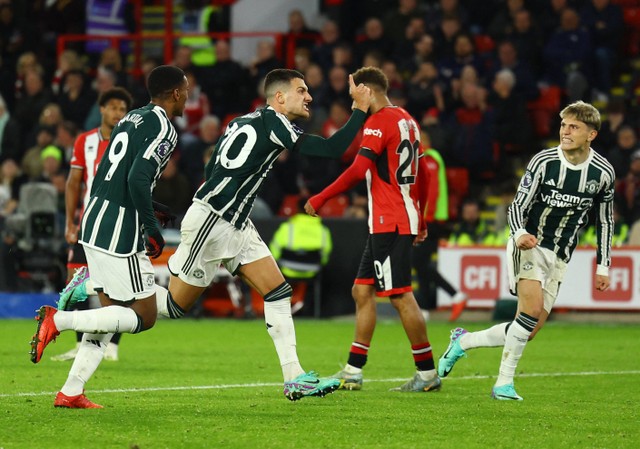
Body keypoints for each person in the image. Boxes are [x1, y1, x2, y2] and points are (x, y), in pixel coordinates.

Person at [58, 68, 372, 402]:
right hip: (215, 221)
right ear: (279, 97)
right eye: (301, 90)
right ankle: (89, 284)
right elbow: (330, 149)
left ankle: (294, 377)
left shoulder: (241, 121)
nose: (308, 96)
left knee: (278, 290)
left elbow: (211, 170)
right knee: (174, 307)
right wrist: (360, 111)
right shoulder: (276, 123)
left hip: (234, 220)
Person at [29, 65, 189, 409]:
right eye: (186, 90)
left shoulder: (131, 119)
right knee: (144, 315)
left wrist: (153, 205)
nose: (188, 95)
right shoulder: (164, 128)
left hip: (95, 219)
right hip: (120, 232)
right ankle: (59, 319)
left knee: (109, 316)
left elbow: (109, 173)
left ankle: (71, 391)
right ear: (176, 93)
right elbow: (136, 179)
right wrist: (150, 225)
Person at [438, 101, 615, 401]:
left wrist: (604, 266)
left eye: (574, 127)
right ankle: (503, 385)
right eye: (563, 125)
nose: (566, 131)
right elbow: (517, 205)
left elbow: (605, 220)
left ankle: (463, 342)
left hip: (559, 255)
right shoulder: (544, 162)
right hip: (529, 243)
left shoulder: (602, 173)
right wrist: (519, 232)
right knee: (530, 312)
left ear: (591, 135)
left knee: (528, 329)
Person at [305, 66, 441, 393]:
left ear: (367, 90)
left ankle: (427, 374)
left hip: (389, 221)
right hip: (397, 217)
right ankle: (353, 370)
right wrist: (420, 217)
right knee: (361, 290)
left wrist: (321, 196)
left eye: (354, 91)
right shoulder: (407, 118)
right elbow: (420, 172)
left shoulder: (378, 122)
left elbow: (358, 169)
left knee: (400, 296)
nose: (352, 98)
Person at [50, 87, 132, 363]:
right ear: (102, 109)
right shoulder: (84, 141)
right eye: (113, 107)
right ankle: (79, 344)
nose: (117, 113)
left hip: (119, 223)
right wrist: (71, 222)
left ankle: (112, 345)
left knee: (118, 286)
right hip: (88, 223)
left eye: (122, 109)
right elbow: (74, 183)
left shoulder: (132, 141)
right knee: (76, 282)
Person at [269, 197, 333, 315]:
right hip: (312, 270)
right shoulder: (323, 231)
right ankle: (311, 311)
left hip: (287, 268)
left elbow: (274, 251)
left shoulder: (287, 227)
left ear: (297, 209)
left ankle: (279, 312)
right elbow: (325, 256)